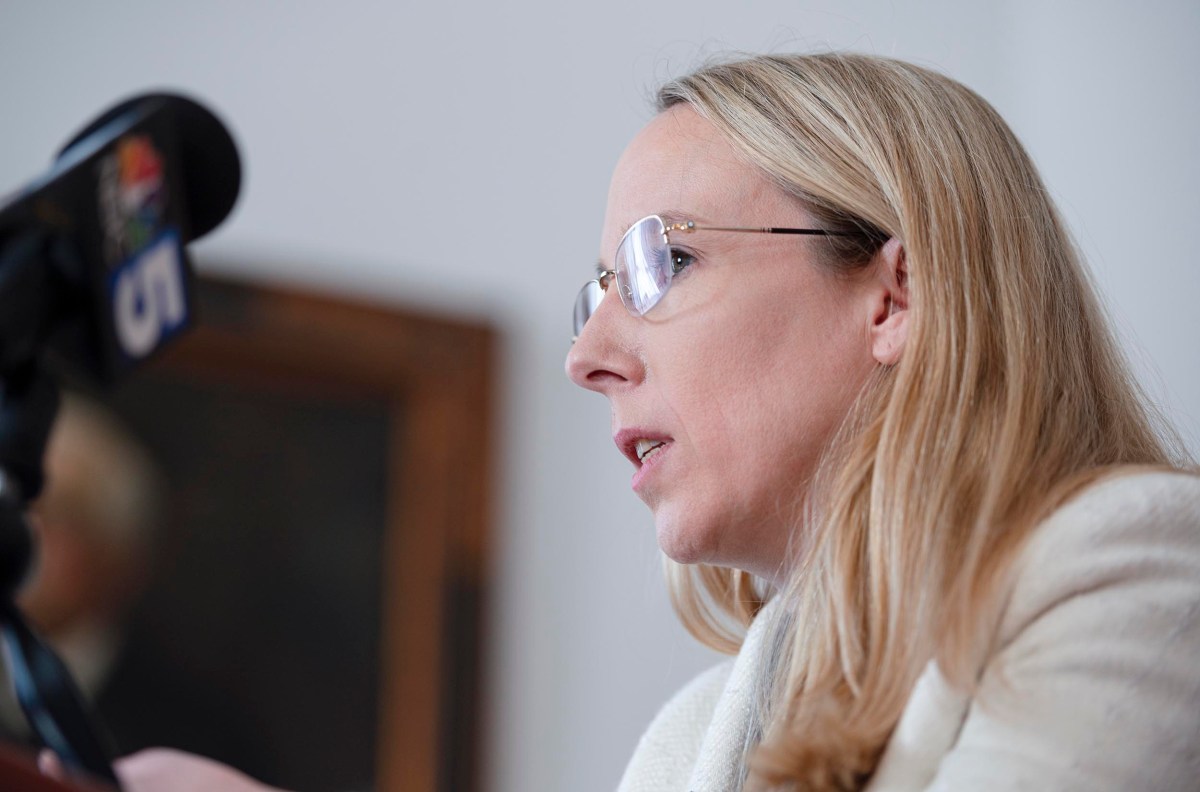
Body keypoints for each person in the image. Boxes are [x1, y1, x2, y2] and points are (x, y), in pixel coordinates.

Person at [47, 52, 1200, 791]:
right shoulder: (691, 738)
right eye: (592, 294)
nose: (587, 356)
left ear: (892, 295)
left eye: (664, 262)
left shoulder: (1128, 565)